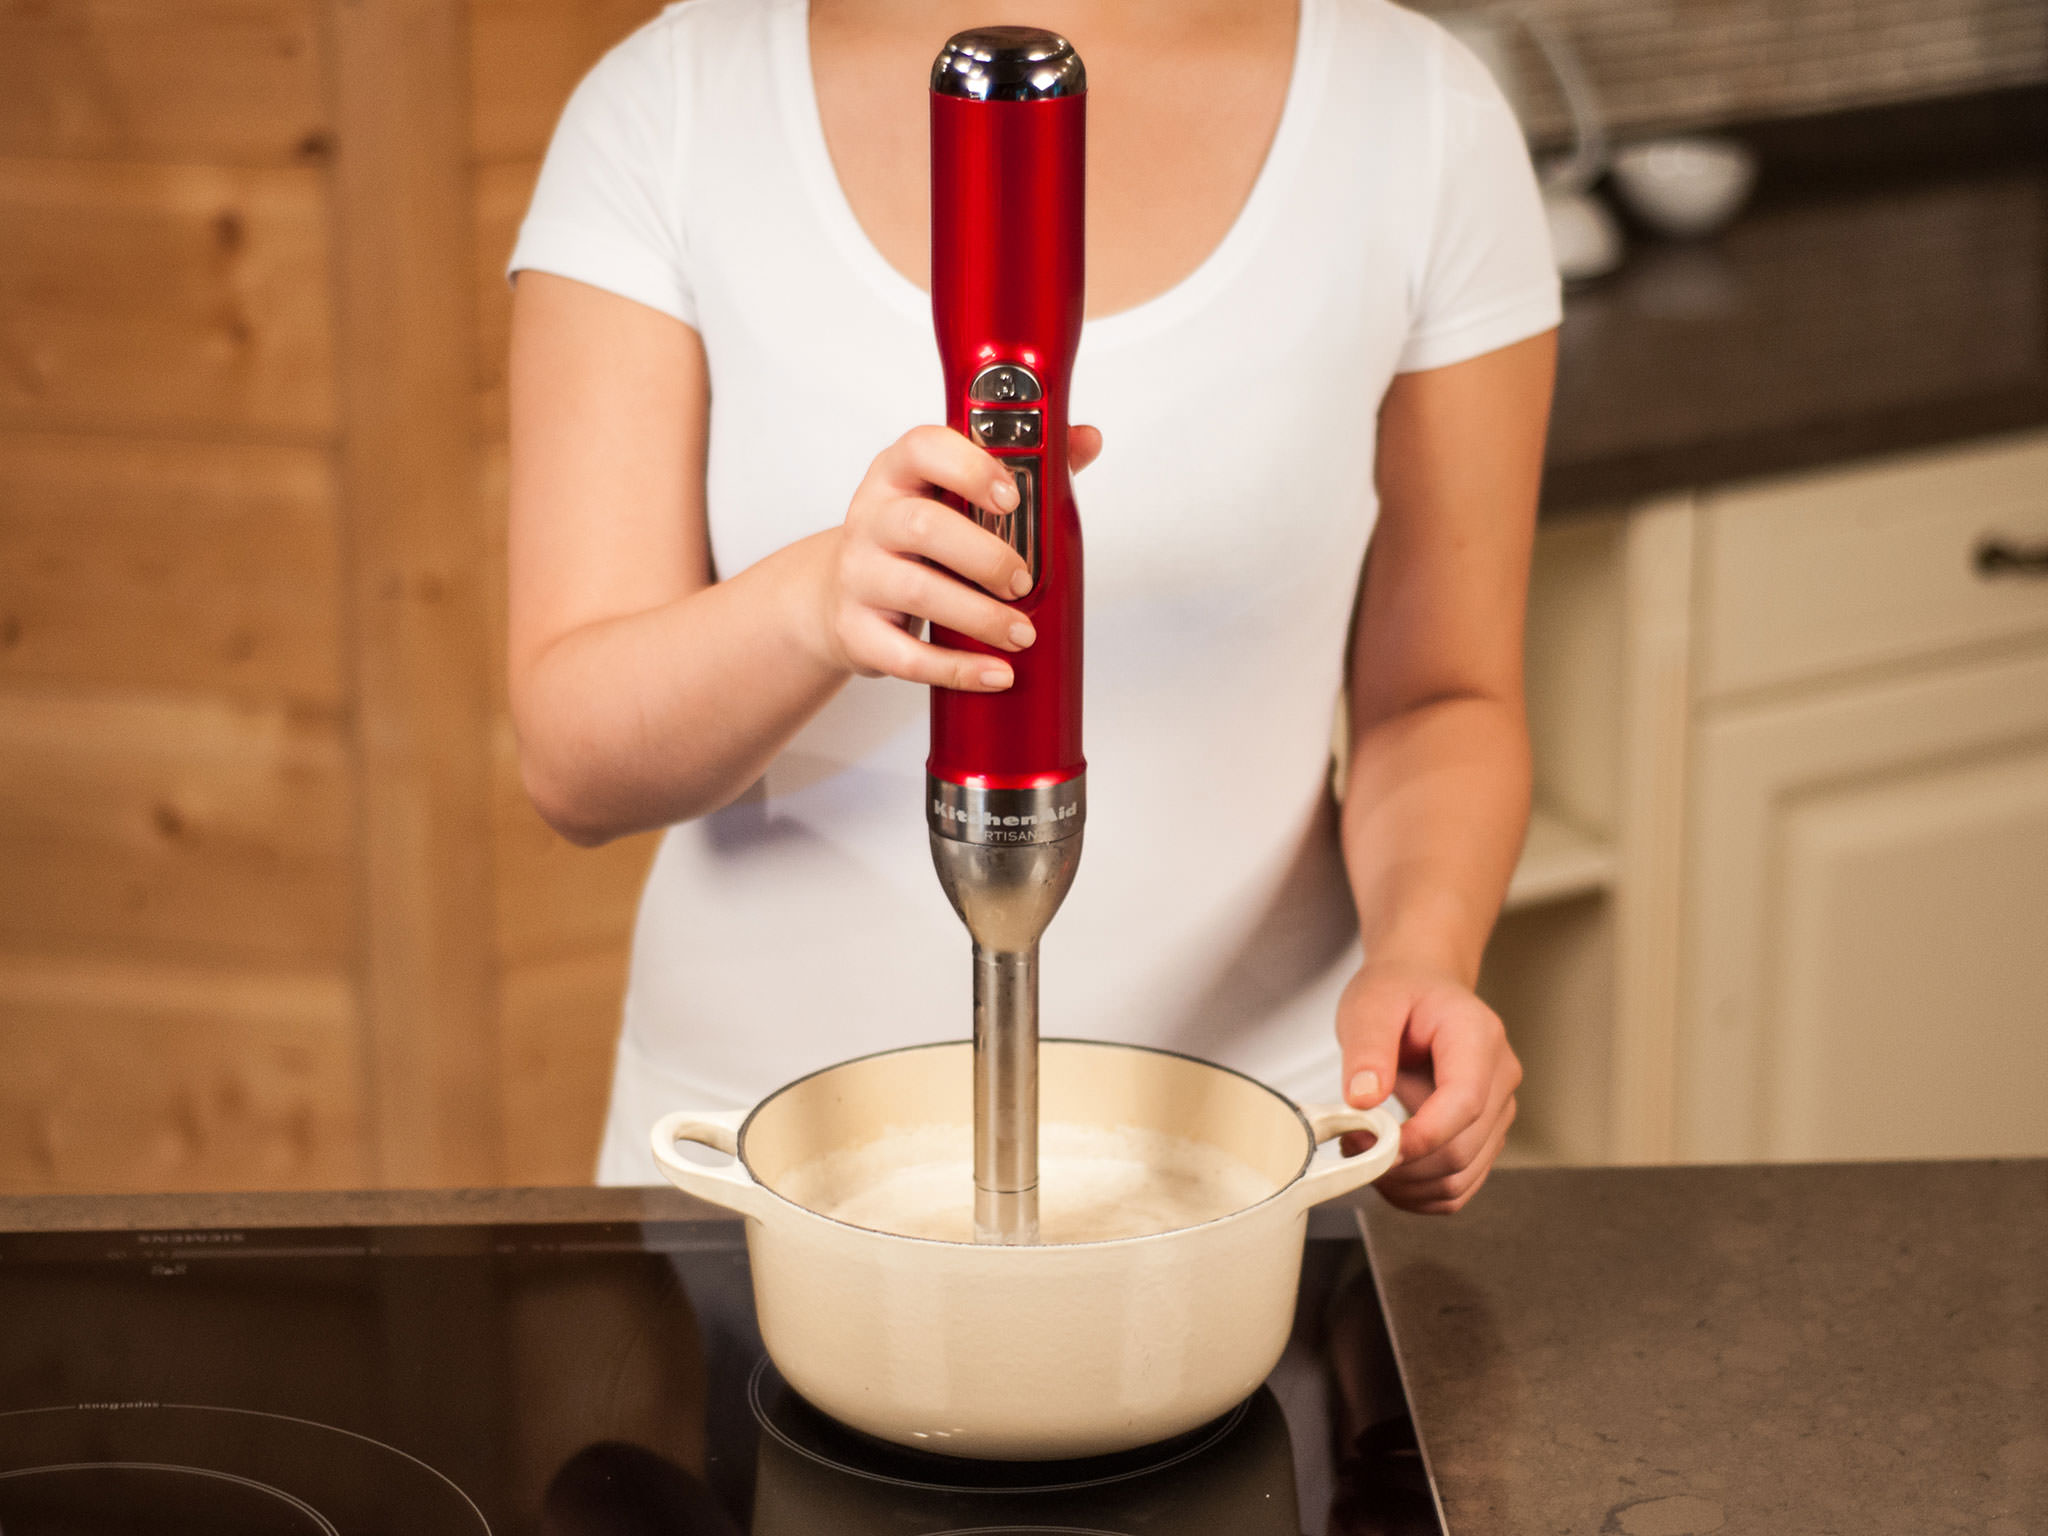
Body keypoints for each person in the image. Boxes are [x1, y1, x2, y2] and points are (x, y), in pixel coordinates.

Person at [507, 0, 1559, 1213]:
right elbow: (572, 761)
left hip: (1244, 1170)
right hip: (754, 1177)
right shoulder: (671, 106)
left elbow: (1441, 697)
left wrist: (1423, 953)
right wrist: (813, 605)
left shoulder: (1418, 116)